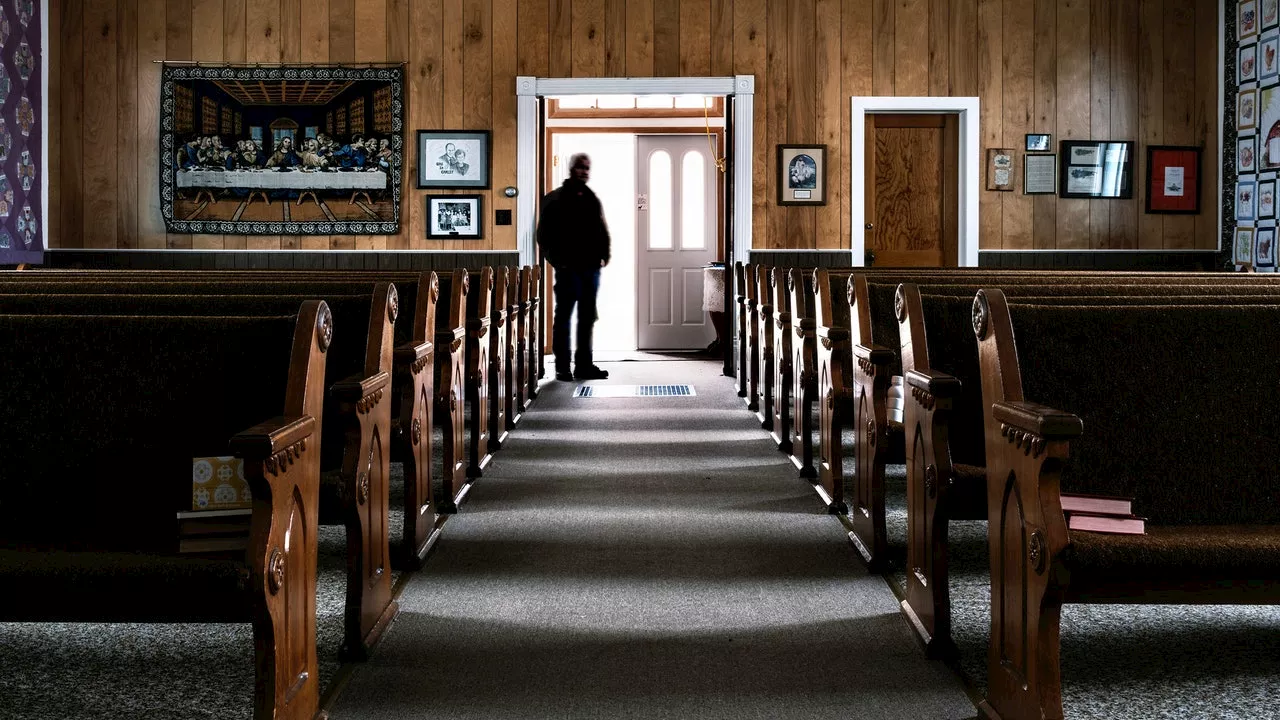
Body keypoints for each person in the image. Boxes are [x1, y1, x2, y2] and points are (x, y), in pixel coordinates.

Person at [536, 152, 611, 381]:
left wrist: (604, 255)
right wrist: (559, 262)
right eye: (580, 167)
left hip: (591, 270)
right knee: (565, 318)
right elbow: (543, 237)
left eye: (587, 168)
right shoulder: (555, 199)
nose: (584, 171)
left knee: (587, 319)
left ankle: (584, 366)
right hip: (568, 270)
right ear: (571, 169)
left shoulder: (591, 198)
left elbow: (601, 228)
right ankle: (562, 368)